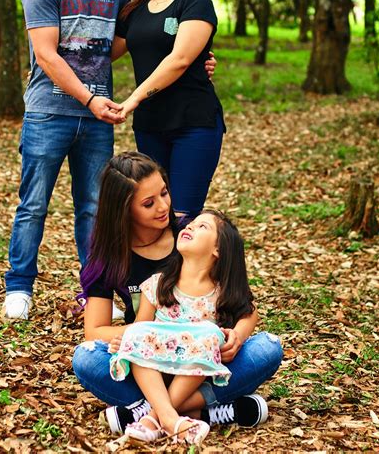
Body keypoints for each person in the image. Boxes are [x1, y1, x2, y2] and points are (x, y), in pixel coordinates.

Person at [72, 152, 283, 436]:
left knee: (267, 348)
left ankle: (150, 414)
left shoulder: (189, 236)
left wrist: (237, 337)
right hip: (148, 361)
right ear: (124, 210)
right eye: (148, 203)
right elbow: (94, 330)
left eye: (164, 193)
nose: (163, 207)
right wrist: (144, 336)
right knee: (86, 358)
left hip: (203, 363)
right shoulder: (109, 257)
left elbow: (243, 304)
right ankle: (209, 411)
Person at [3, 0, 129, 320]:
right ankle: (19, 287)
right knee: (33, 203)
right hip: (48, 114)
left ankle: (93, 293)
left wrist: (199, 55)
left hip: (95, 122)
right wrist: (90, 97)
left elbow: (137, 35)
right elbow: (48, 55)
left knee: (94, 207)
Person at [109, 210, 255, 445]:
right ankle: (190, 414)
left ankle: (153, 416)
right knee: (92, 355)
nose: (189, 227)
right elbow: (141, 330)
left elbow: (250, 312)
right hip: (153, 373)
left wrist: (237, 335)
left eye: (202, 227)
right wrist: (126, 342)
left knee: (261, 347)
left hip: (194, 375)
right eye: (192, 224)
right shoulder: (157, 285)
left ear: (218, 249)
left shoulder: (223, 293)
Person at [113, 0, 225, 225]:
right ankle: (158, 274)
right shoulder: (133, 11)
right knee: (154, 217)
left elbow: (180, 60)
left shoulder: (195, 3)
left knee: (182, 216)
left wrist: (132, 99)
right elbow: (106, 52)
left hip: (193, 122)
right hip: (150, 126)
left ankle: (189, 272)